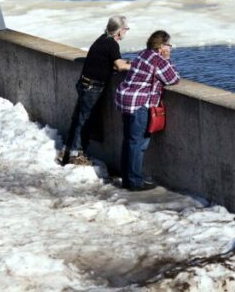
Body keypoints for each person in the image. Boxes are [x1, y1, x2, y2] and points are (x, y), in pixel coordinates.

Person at [61, 15, 131, 166]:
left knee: (78, 118)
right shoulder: (112, 44)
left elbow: (108, 61)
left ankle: (66, 151)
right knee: (84, 120)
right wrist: (138, 66)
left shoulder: (102, 39)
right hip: (93, 87)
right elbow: (119, 66)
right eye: (126, 29)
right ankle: (75, 154)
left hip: (84, 83)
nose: (126, 32)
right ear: (119, 31)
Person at [114, 30, 180, 192]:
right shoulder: (158, 60)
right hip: (140, 103)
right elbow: (173, 79)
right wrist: (167, 58)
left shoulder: (143, 54)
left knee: (129, 141)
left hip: (126, 99)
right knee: (138, 143)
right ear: (161, 46)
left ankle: (127, 178)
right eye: (168, 45)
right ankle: (135, 182)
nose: (170, 48)